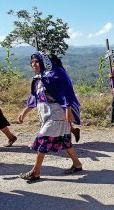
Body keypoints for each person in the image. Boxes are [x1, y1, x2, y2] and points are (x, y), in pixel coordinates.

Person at [17, 52, 82, 181]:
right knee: (64, 140)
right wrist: (24, 112)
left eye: (36, 61)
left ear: (43, 62)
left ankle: (35, 171)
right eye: (32, 62)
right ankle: (77, 164)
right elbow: (34, 98)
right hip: (45, 113)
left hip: (57, 112)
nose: (34, 64)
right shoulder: (38, 78)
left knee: (43, 138)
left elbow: (64, 94)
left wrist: (68, 110)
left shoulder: (52, 77)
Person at [50, 54, 80, 142]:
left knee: (64, 119)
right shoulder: (58, 69)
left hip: (62, 99)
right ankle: (72, 133)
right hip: (61, 98)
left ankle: (66, 140)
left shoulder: (57, 71)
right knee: (64, 119)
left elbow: (61, 87)